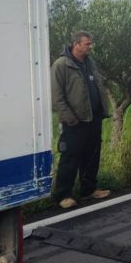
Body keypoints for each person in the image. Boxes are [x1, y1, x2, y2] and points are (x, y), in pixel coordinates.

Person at [50, 31, 111, 209]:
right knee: (70, 158)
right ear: (76, 44)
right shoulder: (61, 65)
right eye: (87, 44)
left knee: (91, 156)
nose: (90, 47)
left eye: (90, 44)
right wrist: (69, 117)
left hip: (93, 118)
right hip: (74, 121)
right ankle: (63, 195)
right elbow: (57, 95)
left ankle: (88, 190)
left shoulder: (89, 63)